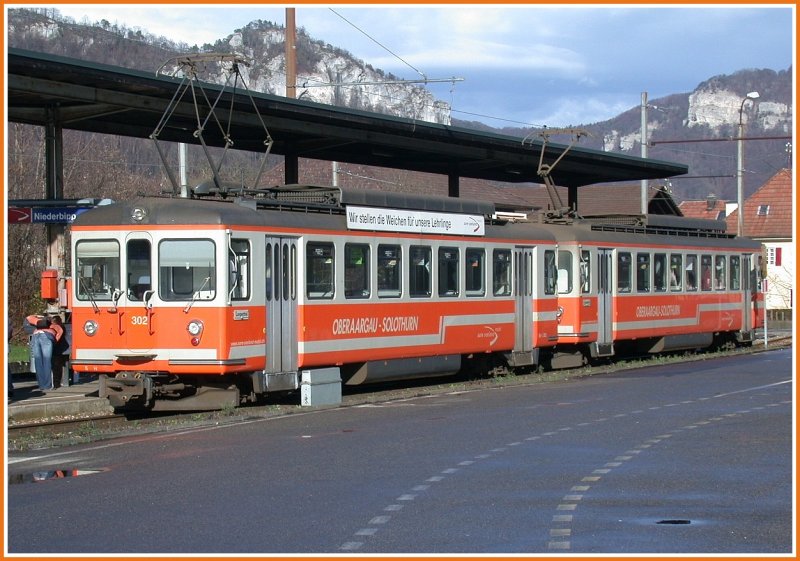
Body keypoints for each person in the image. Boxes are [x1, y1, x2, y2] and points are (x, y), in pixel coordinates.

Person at [25, 313, 64, 392]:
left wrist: (39, 316)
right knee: (47, 361)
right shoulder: (57, 326)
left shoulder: (38, 323)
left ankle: (41, 385)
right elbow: (58, 336)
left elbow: (29, 317)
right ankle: (48, 385)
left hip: (35, 337)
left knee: (38, 362)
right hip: (46, 338)